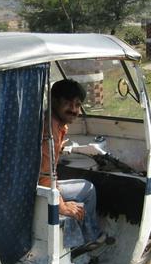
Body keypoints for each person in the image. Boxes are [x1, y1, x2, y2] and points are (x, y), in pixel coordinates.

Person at [39, 78, 103, 250]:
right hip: (40, 189)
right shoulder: (50, 130)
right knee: (88, 189)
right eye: (68, 103)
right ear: (54, 101)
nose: (73, 110)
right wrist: (61, 206)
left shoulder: (55, 124)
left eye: (77, 105)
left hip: (43, 185)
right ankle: (90, 240)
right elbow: (45, 175)